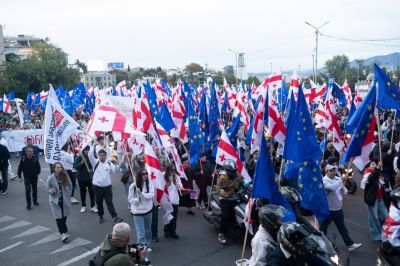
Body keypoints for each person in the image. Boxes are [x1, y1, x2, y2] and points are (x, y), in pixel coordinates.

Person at [320, 164, 362, 252]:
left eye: (334, 170)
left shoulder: (336, 179)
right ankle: (321, 244)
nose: (333, 172)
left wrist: (343, 188)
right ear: (326, 172)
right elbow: (332, 187)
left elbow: (345, 192)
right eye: (331, 171)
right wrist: (341, 180)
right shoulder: (324, 181)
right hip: (329, 210)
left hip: (338, 209)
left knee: (342, 228)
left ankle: (350, 244)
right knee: (323, 229)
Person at [88, 145, 123, 224]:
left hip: (107, 187)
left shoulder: (109, 163)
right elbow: (90, 155)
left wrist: (117, 164)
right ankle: (100, 216)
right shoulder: (95, 162)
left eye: (104, 155)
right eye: (100, 155)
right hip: (97, 186)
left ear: (106, 155)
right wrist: (93, 146)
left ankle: (114, 216)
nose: (102, 156)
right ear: (98, 155)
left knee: (109, 202)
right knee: (99, 202)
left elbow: (114, 171)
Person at [128, 169, 154, 260]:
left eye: (146, 173)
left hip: (148, 211)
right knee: (141, 234)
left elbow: (152, 195)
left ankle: (147, 245)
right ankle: (142, 256)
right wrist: (137, 200)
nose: (145, 175)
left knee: (148, 231)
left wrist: (142, 194)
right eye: (143, 174)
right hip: (137, 213)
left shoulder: (149, 183)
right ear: (139, 175)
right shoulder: (133, 186)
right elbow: (130, 199)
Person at [215, 159, 244, 244]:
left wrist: (249, 187)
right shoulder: (222, 177)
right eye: (231, 170)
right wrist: (225, 194)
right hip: (225, 198)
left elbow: (242, 182)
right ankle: (221, 234)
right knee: (226, 216)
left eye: (234, 170)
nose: (233, 171)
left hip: (236, 196)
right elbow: (218, 188)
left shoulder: (237, 174)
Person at [364, 160, 389, 241]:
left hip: (381, 198)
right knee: (374, 217)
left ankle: (385, 232)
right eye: (372, 164)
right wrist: (378, 168)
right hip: (372, 199)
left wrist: (385, 180)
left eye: (375, 163)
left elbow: (385, 183)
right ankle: (376, 235)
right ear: (368, 166)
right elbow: (371, 178)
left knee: (385, 216)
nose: (375, 165)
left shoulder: (377, 173)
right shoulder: (367, 174)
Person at [46, 162, 72, 242]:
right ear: (54, 169)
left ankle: (61, 227)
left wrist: (68, 194)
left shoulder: (65, 176)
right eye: (57, 167)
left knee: (64, 216)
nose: (59, 169)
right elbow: (47, 189)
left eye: (60, 167)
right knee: (58, 217)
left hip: (64, 200)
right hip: (55, 201)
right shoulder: (50, 178)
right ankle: (63, 234)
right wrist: (51, 190)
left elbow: (70, 185)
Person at [164, 163, 185, 239]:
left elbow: (180, 185)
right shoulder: (164, 176)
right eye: (172, 170)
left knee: (174, 217)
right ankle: (166, 230)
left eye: (174, 170)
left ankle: (173, 232)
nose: (173, 171)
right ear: (168, 170)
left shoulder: (176, 177)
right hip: (167, 201)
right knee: (168, 217)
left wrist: (181, 187)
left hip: (175, 200)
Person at [74, 146, 97, 213]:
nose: (87, 151)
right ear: (83, 150)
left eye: (88, 150)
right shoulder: (79, 157)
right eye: (86, 150)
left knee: (92, 192)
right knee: (83, 192)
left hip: (90, 177)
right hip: (81, 178)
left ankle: (92, 206)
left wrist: (91, 171)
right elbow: (76, 167)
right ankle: (83, 205)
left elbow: (95, 166)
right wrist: (81, 162)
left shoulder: (91, 157)